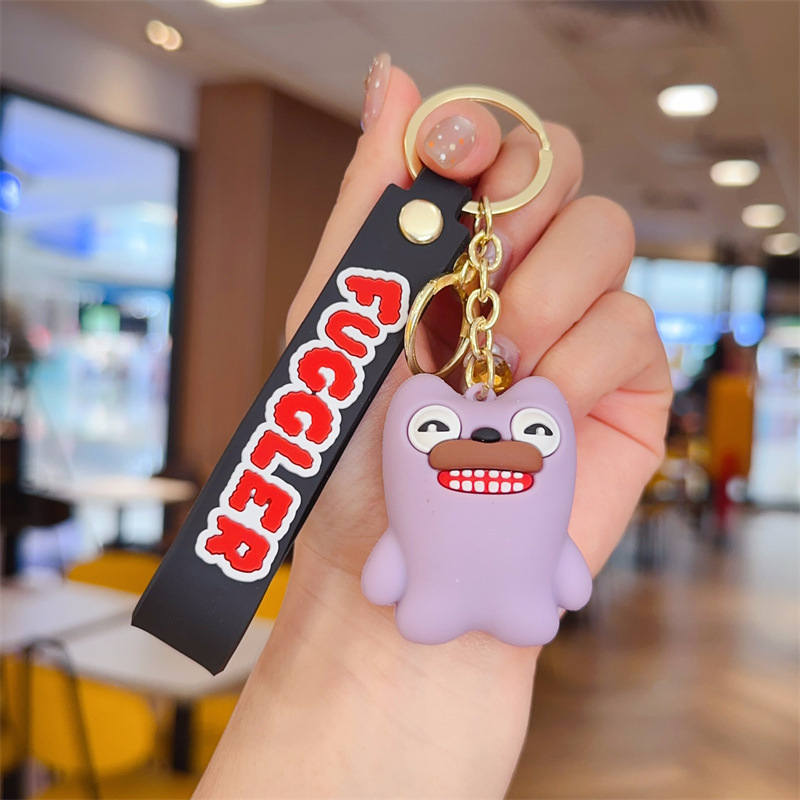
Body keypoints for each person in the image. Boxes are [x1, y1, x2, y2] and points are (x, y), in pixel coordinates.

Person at [195, 55, 672, 798]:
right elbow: (547, 576)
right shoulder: (412, 428)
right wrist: (352, 616)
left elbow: (557, 571)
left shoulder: (475, 424)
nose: (485, 445)